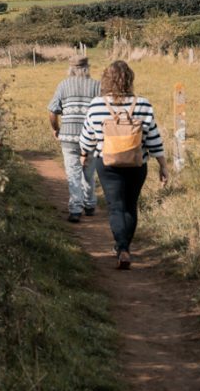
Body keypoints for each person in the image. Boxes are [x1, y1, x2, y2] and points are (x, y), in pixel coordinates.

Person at [76, 59, 168, 268]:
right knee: (130, 205)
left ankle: (122, 247)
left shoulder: (97, 104)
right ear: (130, 80)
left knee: (115, 206)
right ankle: (125, 246)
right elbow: (153, 138)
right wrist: (163, 165)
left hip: (107, 164)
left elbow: (87, 137)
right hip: (137, 164)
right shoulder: (143, 104)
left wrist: (84, 154)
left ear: (106, 80)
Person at [47, 54, 100, 222]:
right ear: (87, 68)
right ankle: (90, 204)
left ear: (70, 69)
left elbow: (52, 110)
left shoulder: (63, 85)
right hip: (91, 137)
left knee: (73, 172)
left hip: (68, 136)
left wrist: (55, 128)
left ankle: (75, 209)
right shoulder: (96, 86)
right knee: (89, 171)